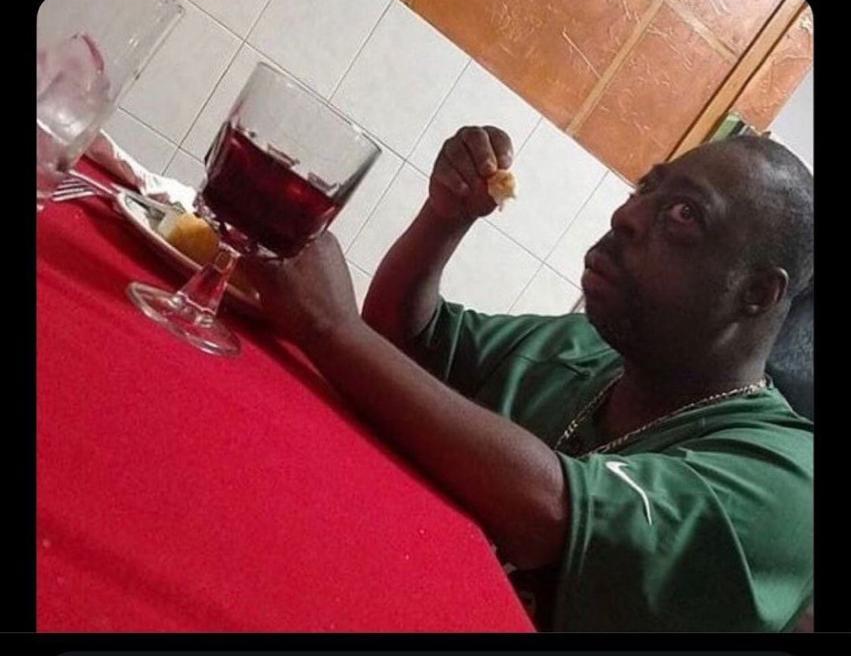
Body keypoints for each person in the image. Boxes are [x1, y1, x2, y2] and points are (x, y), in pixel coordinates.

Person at [245, 127, 814, 633]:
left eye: (685, 215)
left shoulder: (788, 480)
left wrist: (331, 328)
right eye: (647, 188)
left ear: (757, 292)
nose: (628, 216)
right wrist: (445, 219)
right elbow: (405, 341)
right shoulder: (584, 348)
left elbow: (548, 514)